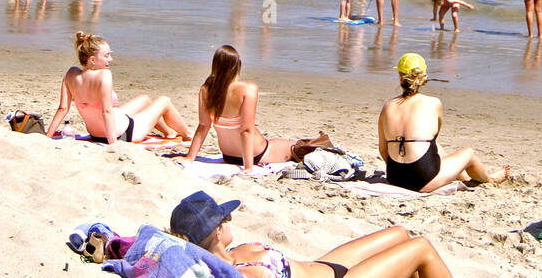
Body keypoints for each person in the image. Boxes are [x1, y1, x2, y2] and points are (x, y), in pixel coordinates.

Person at [169, 191, 507, 278]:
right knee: (420, 248)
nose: (231, 217)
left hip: (325, 269)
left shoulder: (238, 251)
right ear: (216, 229)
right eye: (225, 216)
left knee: (400, 232)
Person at [183, 44, 330, 173]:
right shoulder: (248, 89)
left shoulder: (206, 89)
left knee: (279, 142)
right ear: (237, 65)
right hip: (256, 154)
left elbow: (203, 126)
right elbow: (246, 130)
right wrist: (248, 167)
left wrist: (190, 158)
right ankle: (332, 148)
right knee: (297, 145)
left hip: (228, 155)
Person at [377, 53, 509, 193]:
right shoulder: (433, 103)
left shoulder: (387, 107)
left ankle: (464, 177)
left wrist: (401, 170)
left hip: (395, 177)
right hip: (421, 179)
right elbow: (434, 134)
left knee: (436, 147)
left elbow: (383, 150)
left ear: (400, 76)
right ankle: (490, 179)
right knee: (469, 153)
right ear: (422, 77)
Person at [47, 34, 191, 145]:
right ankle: (188, 135)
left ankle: (169, 132)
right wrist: (113, 144)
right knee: (164, 101)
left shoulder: (71, 74)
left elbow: (62, 108)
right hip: (120, 134)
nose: (111, 59)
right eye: (106, 55)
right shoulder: (104, 75)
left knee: (145, 99)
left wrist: (47, 137)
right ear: (92, 60)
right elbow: (106, 111)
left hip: (96, 134)